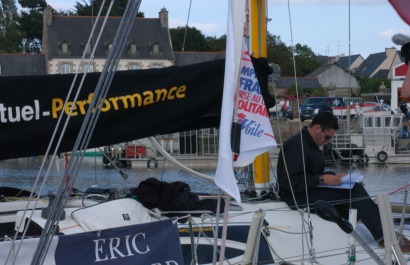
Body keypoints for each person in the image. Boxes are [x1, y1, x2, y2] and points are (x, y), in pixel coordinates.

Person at [277, 111, 410, 252]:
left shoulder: (309, 143)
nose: (328, 141)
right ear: (316, 128)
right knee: (355, 192)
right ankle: (386, 238)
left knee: (354, 186)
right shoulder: (296, 145)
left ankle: (384, 231)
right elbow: (289, 182)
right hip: (298, 197)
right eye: (327, 137)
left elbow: (310, 172)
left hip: (308, 190)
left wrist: (334, 175)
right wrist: (322, 179)